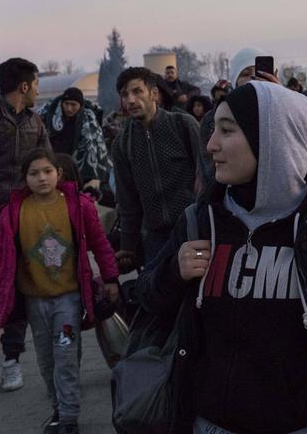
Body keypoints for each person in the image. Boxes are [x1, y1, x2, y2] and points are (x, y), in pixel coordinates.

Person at [136, 81, 307, 434]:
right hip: (212, 425)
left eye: (227, 131)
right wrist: (173, 273)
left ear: (273, 140)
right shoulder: (201, 220)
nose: (211, 144)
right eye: (214, 129)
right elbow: (144, 301)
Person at [0, 148, 120, 434]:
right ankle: (58, 409)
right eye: (34, 173)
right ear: (24, 178)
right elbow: (0, 256)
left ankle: (69, 417)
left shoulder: (78, 205)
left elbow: (100, 243)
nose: (42, 178)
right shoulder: (13, 212)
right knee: (46, 360)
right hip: (35, 301)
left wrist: (110, 277)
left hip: (68, 299)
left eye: (47, 171)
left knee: (64, 353)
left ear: (58, 174)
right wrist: (2, 293)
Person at [0, 58, 50, 391]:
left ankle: (11, 362)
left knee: (16, 294)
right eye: (35, 83)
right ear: (24, 86)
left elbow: (48, 166)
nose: (37, 89)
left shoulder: (37, 124)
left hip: (20, 222)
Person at [111, 67, 202, 272]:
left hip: (194, 232)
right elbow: (128, 202)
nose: (131, 100)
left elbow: (209, 177)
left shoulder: (183, 125)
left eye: (137, 92)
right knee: (160, 298)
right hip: (155, 240)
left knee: (200, 294)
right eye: (125, 95)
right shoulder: (122, 144)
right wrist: (128, 249)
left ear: (153, 94)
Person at [199, 47, 281, 187]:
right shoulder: (214, 118)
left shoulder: (284, 111)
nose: (253, 78)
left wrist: (280, 96)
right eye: (246, 73)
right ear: (234, 81)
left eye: (260, 72)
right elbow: (210, 167)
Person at [39, 87, 112, 190]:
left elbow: (95, 148)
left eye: (73, 105)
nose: (69, 108)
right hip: (53, 166)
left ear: (80, 105)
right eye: (66, 104)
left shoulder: (89, 121)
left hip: (77, 170)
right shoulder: (50, 117)